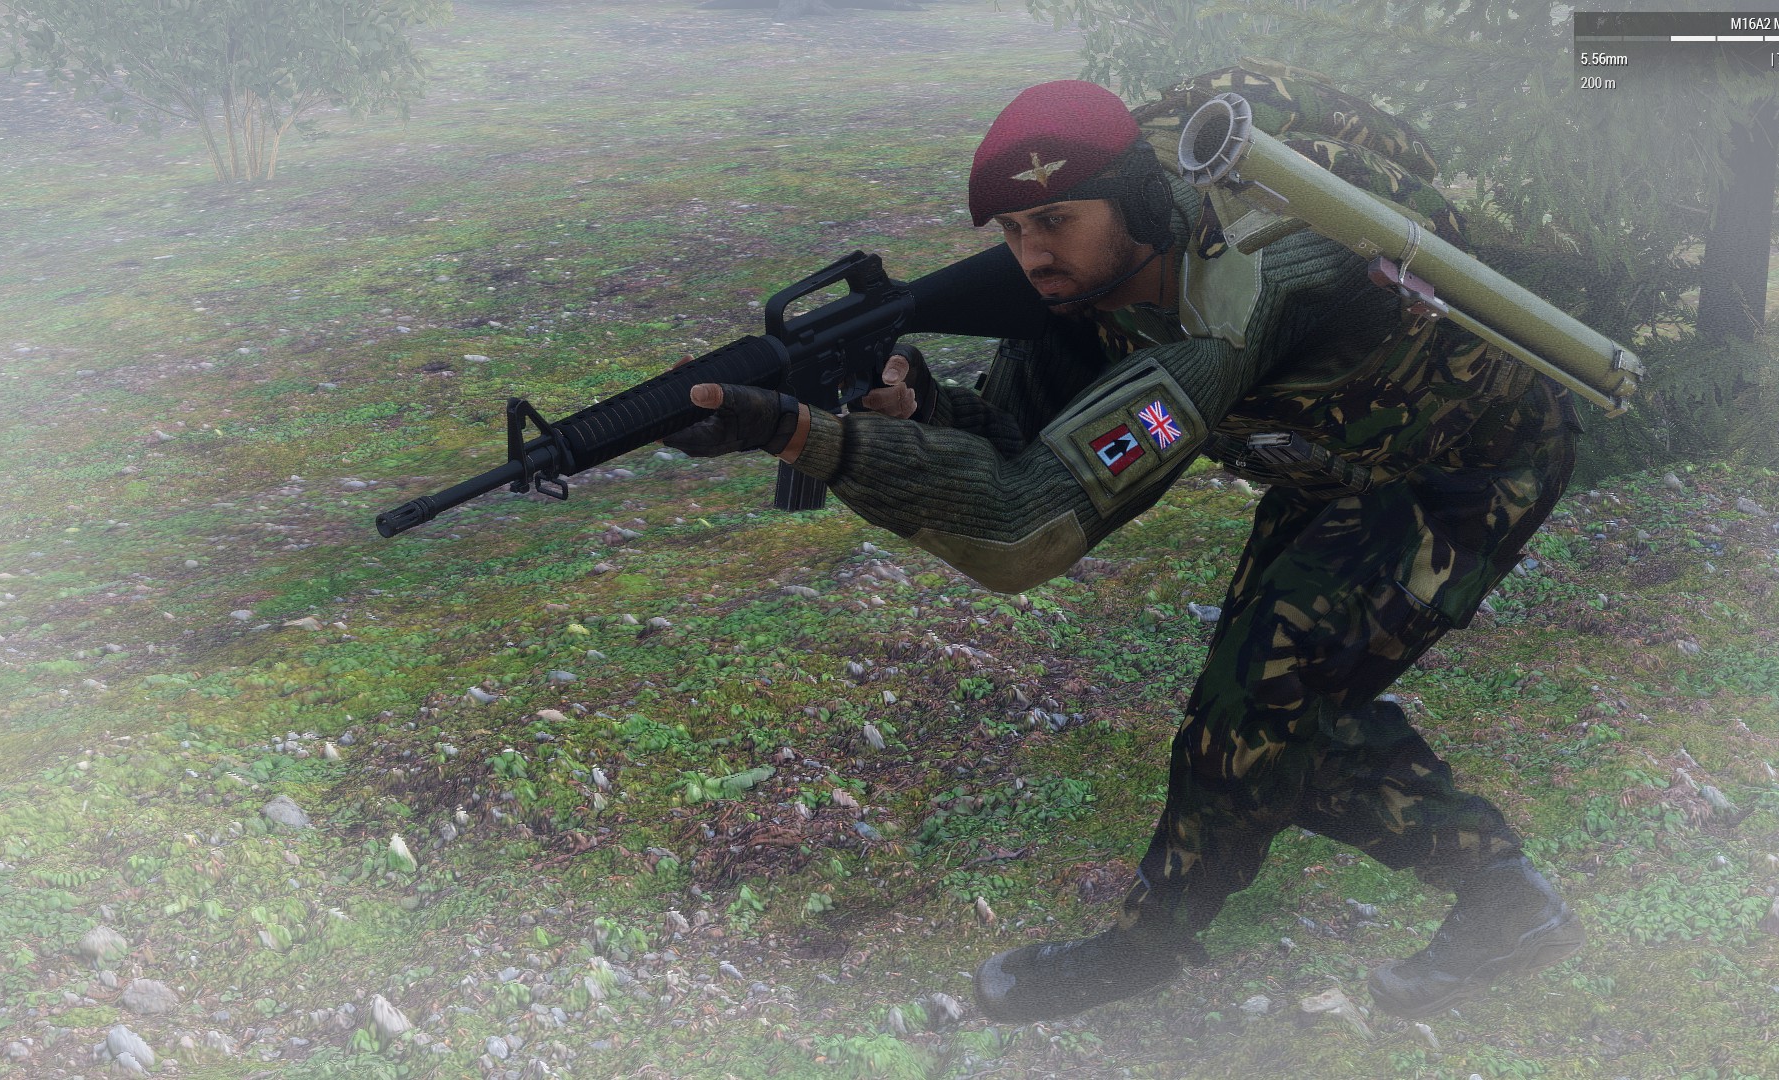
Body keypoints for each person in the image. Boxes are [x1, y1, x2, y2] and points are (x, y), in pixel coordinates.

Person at [662, 77, 1585, 1022]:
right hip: (1332, 466)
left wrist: (804, 437)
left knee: (1258, 704)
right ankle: (1506, 901)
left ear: (1140, 203)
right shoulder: (1085, 289)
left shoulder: (1241, 294)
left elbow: (1023, 528)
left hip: (1466, 464)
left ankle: (1152, 946)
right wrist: (919, 406)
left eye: (1055, 220)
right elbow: (1020, 442)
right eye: (1013, 229)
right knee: (1269, 708)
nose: (1033, 255)